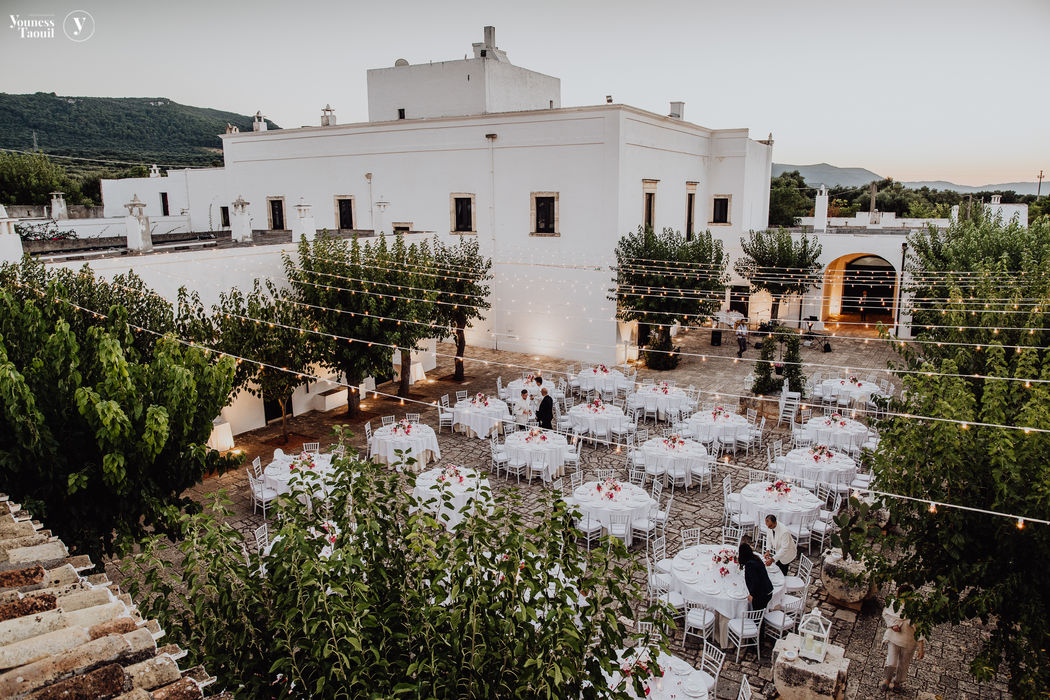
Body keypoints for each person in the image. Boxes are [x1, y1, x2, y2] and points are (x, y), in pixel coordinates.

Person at [881, 587, 926, 692]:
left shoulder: (915, 610)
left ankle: (897, 682)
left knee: (903, 664)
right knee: (891, 662)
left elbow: (919, 629)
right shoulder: (893, 604)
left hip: (909, 642)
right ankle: (887, 679)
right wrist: (892, 625)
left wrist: (921, 648)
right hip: (894, 638)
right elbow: (886, 614)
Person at [738, 542, 773, 611]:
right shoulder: (755, 558)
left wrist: (752, 595)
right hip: (768, 590)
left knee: (756, 616)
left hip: (762, 595)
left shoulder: (750, 565)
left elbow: (755, 582)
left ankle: (758, 621)